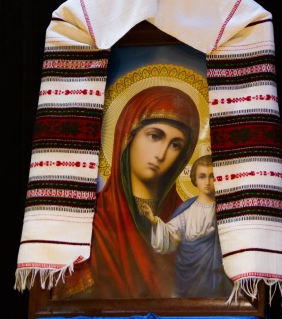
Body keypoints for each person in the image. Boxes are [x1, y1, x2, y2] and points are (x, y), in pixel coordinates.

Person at [56, 85, 199, 298]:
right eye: (154, 136)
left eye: (175, 145)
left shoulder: (190, 219)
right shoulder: (91, 220)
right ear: (127, 136)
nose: (161, 154)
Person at [140, 155, 233, 297]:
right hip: (188, 278)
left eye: (212, 176)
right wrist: (154, 221)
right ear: (195, 179)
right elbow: (169, 236)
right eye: (202, 176)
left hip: (218, 278)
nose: (207, 182)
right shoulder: (187, 210)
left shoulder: (227, 209)